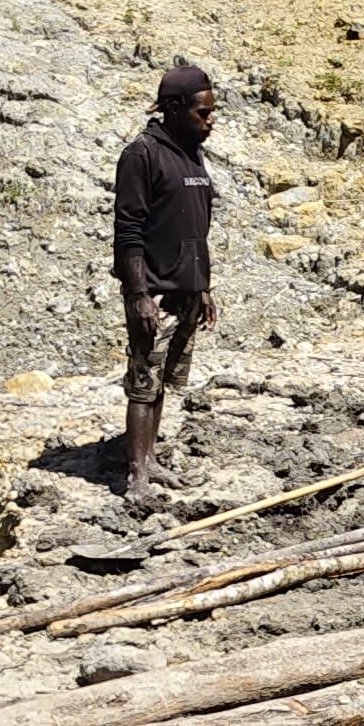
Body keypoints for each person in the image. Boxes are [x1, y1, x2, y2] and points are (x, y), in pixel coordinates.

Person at [111, 58, 221, 505]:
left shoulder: (191, 152)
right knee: (144, 380)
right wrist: (139, 295)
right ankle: (136, 473)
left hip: (187, 290)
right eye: (202, 112)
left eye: (213, 111)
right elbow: (129, 229)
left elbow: (194, 226)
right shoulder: (143, 154)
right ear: (173, 109)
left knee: (164, 381)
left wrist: (204, 287)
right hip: (154, 290)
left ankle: (152, 458)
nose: (211, 120)